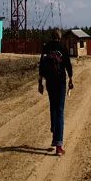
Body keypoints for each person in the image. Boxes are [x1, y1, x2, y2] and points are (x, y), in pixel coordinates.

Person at [38, 28, 73, 156]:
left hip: (50, 82)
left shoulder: (46, 47)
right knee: (60, 111)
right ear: (60, 37)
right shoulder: (62, 47)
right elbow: (68, 65)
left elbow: (41, 65)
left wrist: (40, 82)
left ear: (51, 36)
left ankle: (54, 128)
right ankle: (59, 145)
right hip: (60, 82)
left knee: (53, 106)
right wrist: (71, 79)